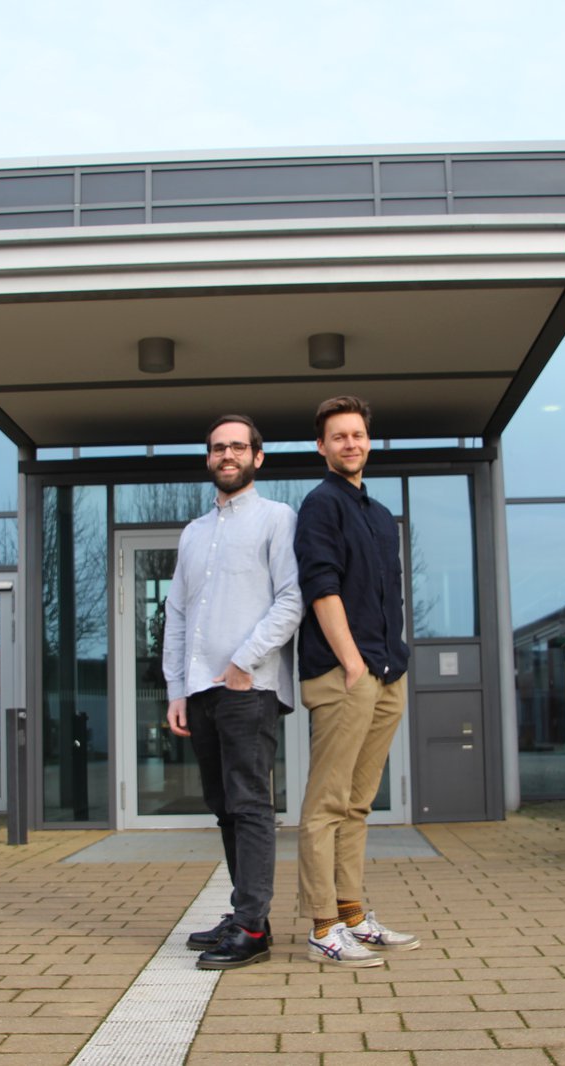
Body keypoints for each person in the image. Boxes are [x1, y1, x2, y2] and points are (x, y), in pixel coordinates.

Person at [163, 414, 301, 969]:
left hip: (250, 687)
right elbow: (177, 614)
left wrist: (244, 662)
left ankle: (253, 929)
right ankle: (247, 912)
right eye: (218, 448)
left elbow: (291, 599)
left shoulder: (277, 519)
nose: (227, 455)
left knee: (249, 806)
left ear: (257, 458)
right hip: (199, 692)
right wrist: (176, 686)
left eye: (238, 447)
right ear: (208, 458)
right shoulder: (193, 533)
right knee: (224, 807)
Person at [294, 395, 420, 967]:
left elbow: (386, 597)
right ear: (322, 447)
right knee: (327, 804)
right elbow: (322, 588)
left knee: (359, 805)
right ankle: (323, 925)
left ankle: (352, 915)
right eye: (339, 436)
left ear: (369, 440)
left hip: (387, 673)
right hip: (346, 673)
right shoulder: (321, 505)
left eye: (358, 434)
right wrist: (351, 663)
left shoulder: (379, 514)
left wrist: (391, 662)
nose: (351, 443)